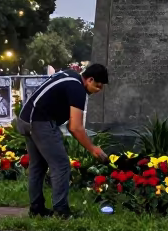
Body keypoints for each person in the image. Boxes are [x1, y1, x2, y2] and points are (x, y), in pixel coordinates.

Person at [14, 63, 109, 217]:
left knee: (38, 165)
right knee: (61, 165)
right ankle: (61, 211)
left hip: (26, 119)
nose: (99, 91)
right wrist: (93, 148)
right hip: (40, 122)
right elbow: (75, 127)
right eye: (98, 86)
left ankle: (36, 209)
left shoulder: (70, 76)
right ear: (89, 80)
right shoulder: (77, 88)